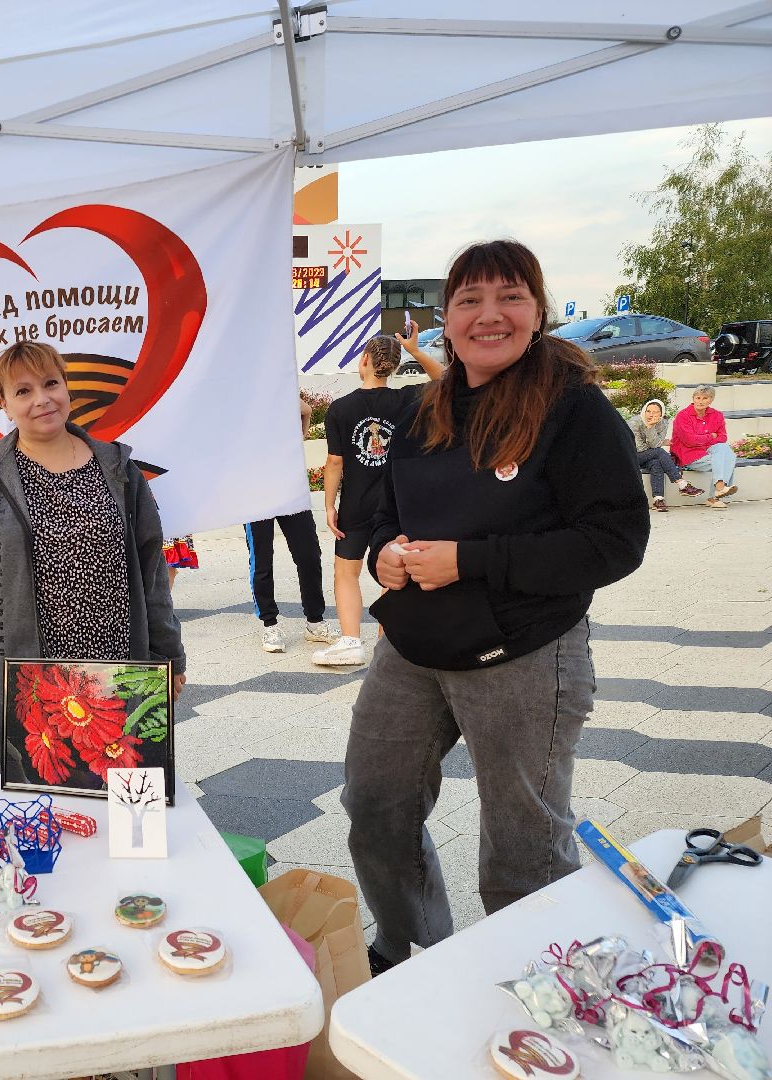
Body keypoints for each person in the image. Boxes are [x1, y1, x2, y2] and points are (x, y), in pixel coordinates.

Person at [341, 240, 649, 977]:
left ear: (538, 312)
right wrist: (386, 552)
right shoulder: (425, 411)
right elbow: (387, 512)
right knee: (376, 808)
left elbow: (615, 541)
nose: (489, 315)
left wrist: (469, 561)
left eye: (510, 296)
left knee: (520, 847)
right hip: (415, 645)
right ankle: (414, 951)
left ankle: (538, 982)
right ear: (443, 319)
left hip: (525, 652)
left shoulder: (573, 409)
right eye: (469, 299)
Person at [0, 340, 186, 763]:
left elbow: (151, 571)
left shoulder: (118, 469)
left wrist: (168, 655)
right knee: (36, 806)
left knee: (123, 800)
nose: (42, 399)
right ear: (4, 404)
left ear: (67, 387)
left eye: (50, 383)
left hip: (117, 669)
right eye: (23, 391)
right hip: (30, 676)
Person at [317, 328, 444, 666]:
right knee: (392, 573)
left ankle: (349, 641)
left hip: (355, 502)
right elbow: (445, 379)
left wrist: (330, 505)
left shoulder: (341, 409)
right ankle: (385, 645)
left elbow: (334, 462)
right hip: (396, 503)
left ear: (365, 361)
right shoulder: (407, 400)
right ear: (394, 366)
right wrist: (416, 350)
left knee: (346, 572)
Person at [245, 396, 335, 653]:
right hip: (254, 493)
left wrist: (299, 431)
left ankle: (315, 621)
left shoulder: (280, 395)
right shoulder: (244, 403)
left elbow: (305, 410)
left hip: (290, 491)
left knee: (309, 554)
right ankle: (269, 624)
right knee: (261, 559)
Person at [672, 385, 739, 509]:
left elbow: (722, 437)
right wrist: (710, 436)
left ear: (711, 399)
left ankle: (718, 489)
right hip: (688, 456)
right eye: (697, 398)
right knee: (726, 457)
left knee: (724, 449)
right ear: (693, 398)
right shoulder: (683, 416)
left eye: (705, 398)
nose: (700, 401)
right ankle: (716, 493)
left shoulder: (717, 415)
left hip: (709, 452)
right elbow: (689, 441)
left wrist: (700, 438)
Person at [629, 400, 702, 512]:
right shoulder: (635, 422)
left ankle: (658, 499)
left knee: (656, 463)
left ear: (661, 413)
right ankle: (682, 484)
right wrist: (650, 429)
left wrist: (651, 429)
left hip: (648, 456)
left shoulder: (663, 423)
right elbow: (639, 448)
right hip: (630, 456)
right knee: (659, 452)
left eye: (655, 412)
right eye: (648, 411)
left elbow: (655, 444)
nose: (651, 415)